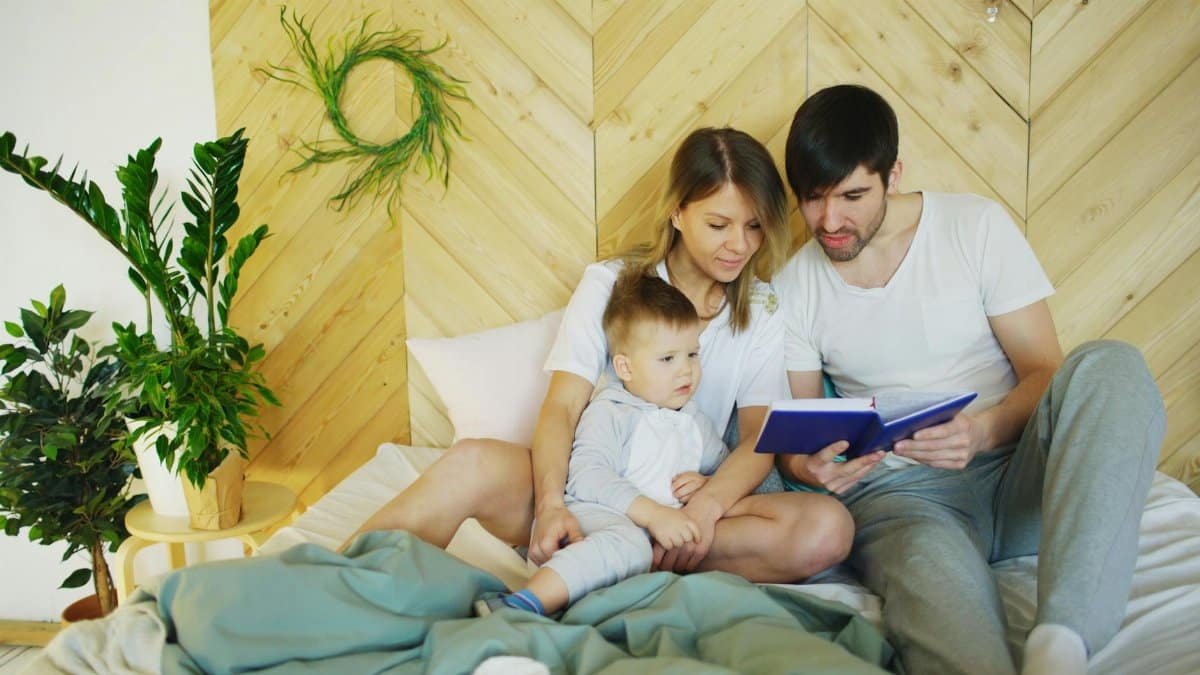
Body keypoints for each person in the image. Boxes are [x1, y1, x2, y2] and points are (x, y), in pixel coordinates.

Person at [774, 84, 1166, 675]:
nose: (830, 220)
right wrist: (810, 465)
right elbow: (804, 432)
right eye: (812, 199)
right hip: (903, 500)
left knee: (1110, 363)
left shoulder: (974, 226)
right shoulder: (794, 285)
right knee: (959, 645)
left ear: (893, 174)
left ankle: (1063, 640)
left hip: (1020, 475)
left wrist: (981, 433)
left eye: (852, 195)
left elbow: (1043, 370)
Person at [352, 127, 853, 585]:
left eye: (755, 226)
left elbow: (758, 438)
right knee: (469, 462)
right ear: (677, 212)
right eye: (719, 224)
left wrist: (705, 509)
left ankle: (631, 553)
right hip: (588, 496)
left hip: (682, 506)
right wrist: (550, 507)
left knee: (827, 528)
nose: (739, 245)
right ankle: (337, 575)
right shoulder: (611, 283)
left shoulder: (761, 308)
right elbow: (563, 407)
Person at [476, 270, 730, 616]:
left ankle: (575, 588)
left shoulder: (697, 423)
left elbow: (727, 468)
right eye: (668, 359)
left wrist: (709, 484)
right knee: (631, 546)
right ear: (624, 367)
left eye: (692, 355)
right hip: (593, 510)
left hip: (647, 532)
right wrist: (655, 515)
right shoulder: (612, 411)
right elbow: (587, 476)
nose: (685, 370)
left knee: (639, 553)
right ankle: (520, 603)